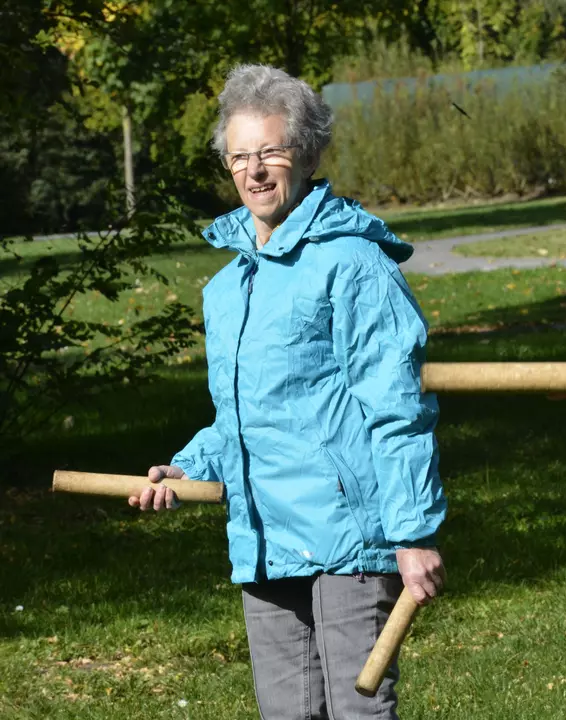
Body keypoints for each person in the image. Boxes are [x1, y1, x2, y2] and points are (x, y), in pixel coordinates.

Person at [128, 64, 445, 719]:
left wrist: (411, 533)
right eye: (240, 156)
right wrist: (187, 467)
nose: (256, 170)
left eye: (271, 151)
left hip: (348, 537)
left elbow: (398, 408)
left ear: (307, 155)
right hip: (265, 537)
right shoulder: (227, 288)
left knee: (357, 711)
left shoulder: (354, 264)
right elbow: (243, 416)